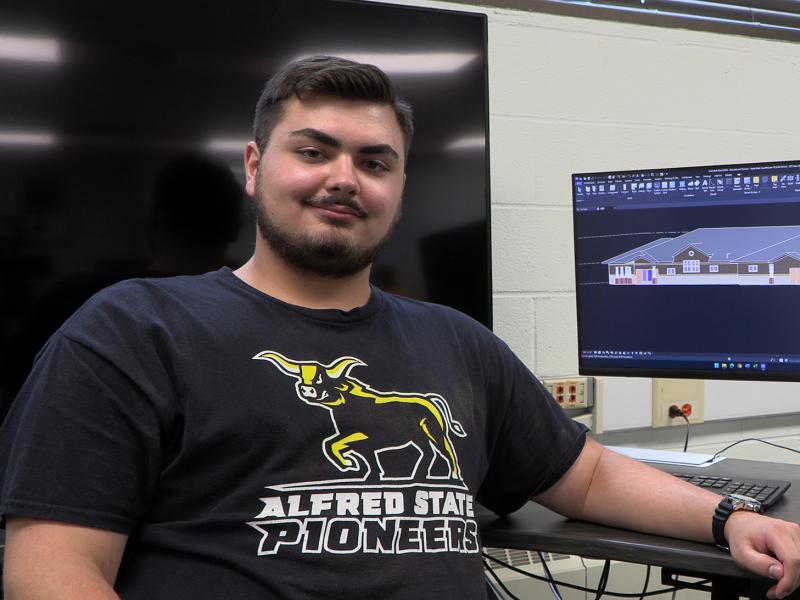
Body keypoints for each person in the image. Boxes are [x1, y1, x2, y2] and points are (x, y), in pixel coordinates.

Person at [1, 55, 799, 600]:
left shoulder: (456, 341)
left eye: (375, 162)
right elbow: (50, 569)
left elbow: (586, 475)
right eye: (314, 150)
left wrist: (731, 518)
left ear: (399, 186)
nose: (344, 178)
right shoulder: (132, 330)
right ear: (254, 167)